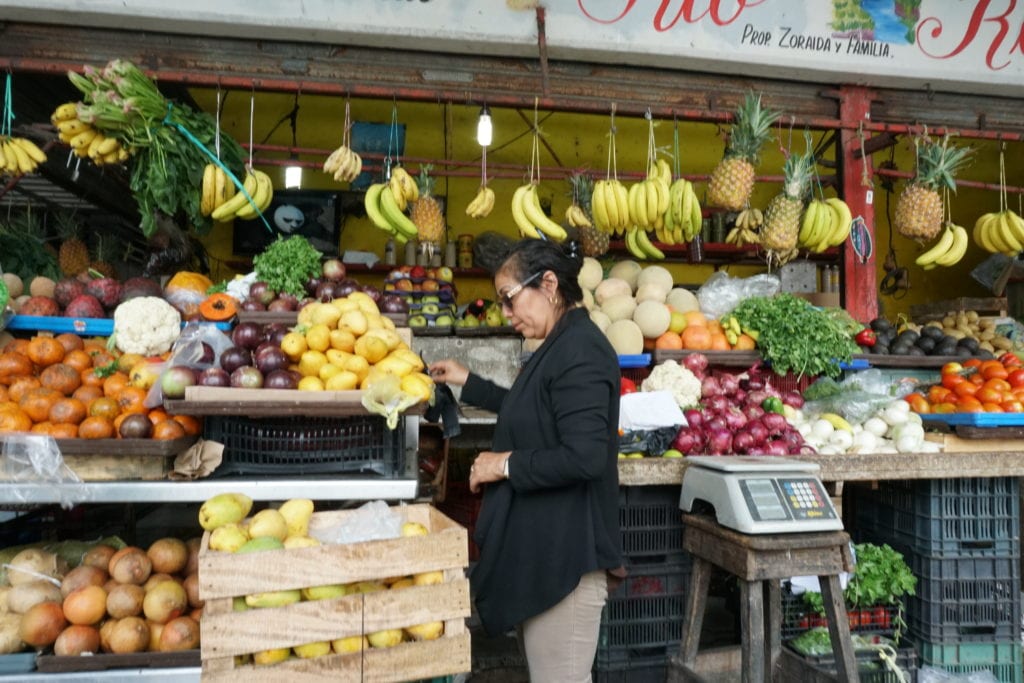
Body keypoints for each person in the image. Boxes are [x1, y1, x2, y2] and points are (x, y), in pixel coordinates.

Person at [429, 238, 624, 683]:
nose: (505, 314)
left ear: (549, 284)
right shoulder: (559, 345)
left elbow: (586, 456)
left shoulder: (582, 350)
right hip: (545, 555)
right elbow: (532, 409)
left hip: (568, 564)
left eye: (509, 299)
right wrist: (469, 383)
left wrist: (505, 464)